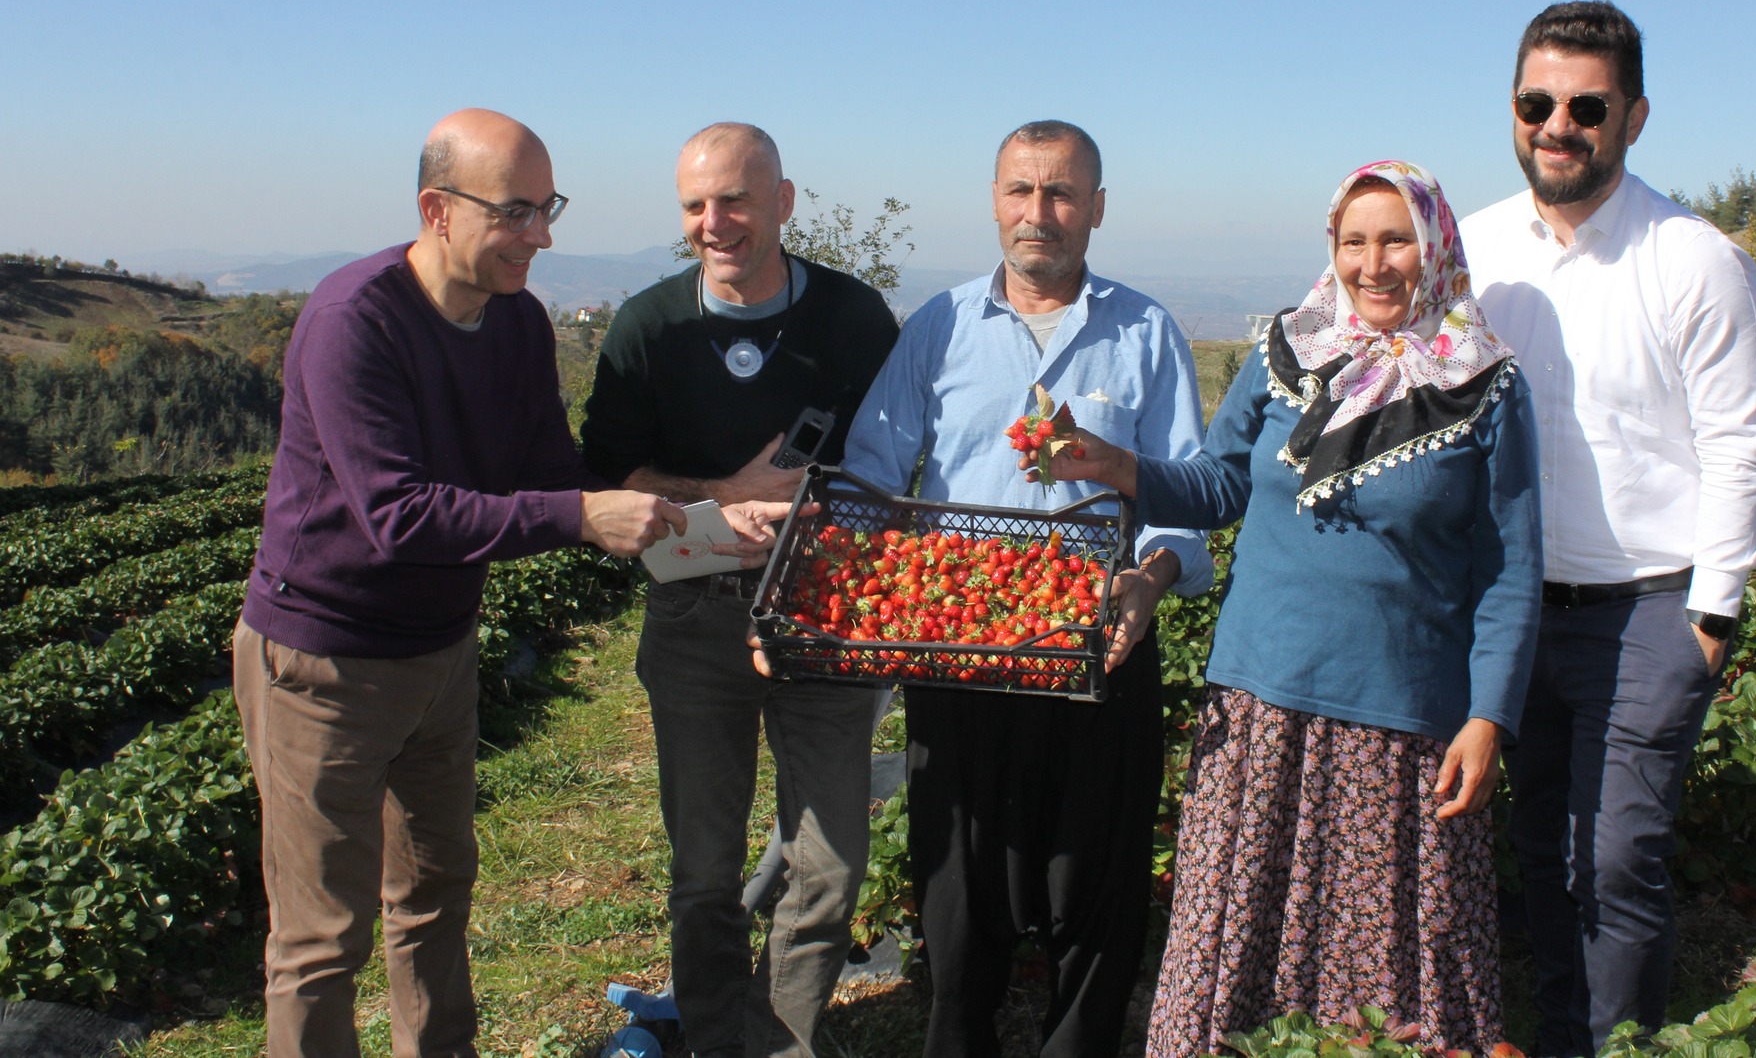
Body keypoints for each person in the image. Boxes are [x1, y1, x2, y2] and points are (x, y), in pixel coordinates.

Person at [234, 109, 791, 1058]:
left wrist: (707, 513)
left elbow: (552, 470)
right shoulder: (352, 321)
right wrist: (581, 516)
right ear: (436, 210)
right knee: (323, 935)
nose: (542, 235)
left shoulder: (519, 323)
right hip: (323, 662)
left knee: (436, 890)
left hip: (440, 650)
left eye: (548, 208)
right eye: (517, 213)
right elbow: (399, 516)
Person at [1037, 161, 1542, 1056]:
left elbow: (1509, 567)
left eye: (1397, 240)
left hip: (1400, 720)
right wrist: (1116, 464)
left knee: (1383, 965)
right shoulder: (1289, 349)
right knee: (1236, 939)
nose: (1374, 264)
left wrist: (1488, 715)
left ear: (1436, 249)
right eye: (1354, 241)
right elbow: (1221, 483)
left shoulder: (1486, 385)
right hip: (1259, 698)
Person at [833, 119, 1212, 1058]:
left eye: (1060, 193)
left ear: (1096, 208)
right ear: (994, 198)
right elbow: (873, 474)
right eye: (1019, 191)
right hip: (966, 647)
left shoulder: (1145, 332)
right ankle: (957, 1036)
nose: (1037, 213)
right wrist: (868, 583)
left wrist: (1151, 578)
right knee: (960, 884)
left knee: (1096, 880)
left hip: (1101, 640)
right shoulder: (941, 327)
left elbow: (1182, 495)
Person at [1460, 1, 1756, 1057]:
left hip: (1644, 610)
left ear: (1632, 117)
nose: (1557, 125)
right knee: (1540, 844)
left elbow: (1738, 446)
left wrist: (1710, 619)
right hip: (1506, 605)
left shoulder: (1692, 259)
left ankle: (1614, 1045)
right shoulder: (1474, 249)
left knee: (1610, 857)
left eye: (1585, 106)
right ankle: (1566, 1033)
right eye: (1534, 103)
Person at [579, 122, 899, 1058]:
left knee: (830, 869)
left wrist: (825, 517)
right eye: (694, 205)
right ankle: (722, 1038)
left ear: (784, 202)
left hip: (824, 615)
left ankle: (783, 1041)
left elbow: (892, 459)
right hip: (694, 616)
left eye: (735, 201)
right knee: (705, 869)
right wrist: (725, 498)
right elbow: (601, 480)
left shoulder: (852, 319)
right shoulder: (650, 326)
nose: (713, 223)